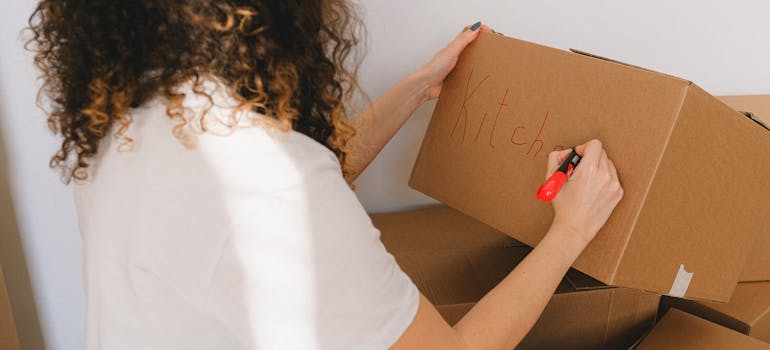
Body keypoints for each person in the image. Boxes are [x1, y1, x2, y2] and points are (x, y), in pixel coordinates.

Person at [27, 1, 623, 349]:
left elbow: (299, 195)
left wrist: (415, 90)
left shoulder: (130, 117)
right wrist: (570, 232)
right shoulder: (268, 181)